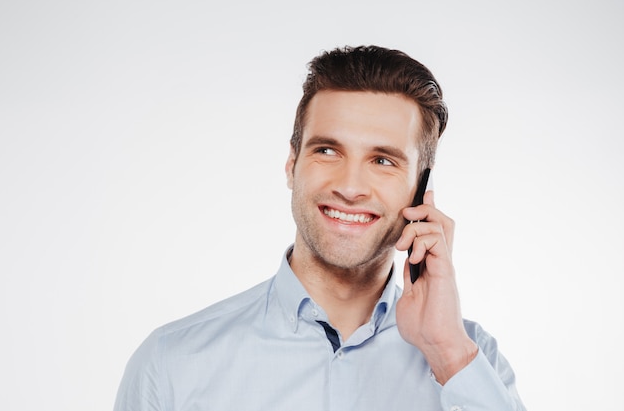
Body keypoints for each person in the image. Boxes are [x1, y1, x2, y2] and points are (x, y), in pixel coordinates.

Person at [114, 45, 525, 411]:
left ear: (421, 190)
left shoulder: (471, 361)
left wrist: (447, 352)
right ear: (292, 165)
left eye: (383, 160)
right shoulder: (171, 363)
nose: (349, 188)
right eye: (327, 150)